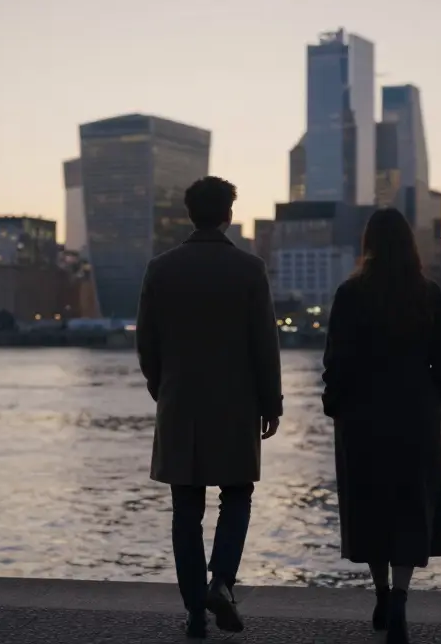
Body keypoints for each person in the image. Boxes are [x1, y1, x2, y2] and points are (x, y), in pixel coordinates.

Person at [136, 176, 283, 639]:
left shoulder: (161, 269)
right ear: (228, 215)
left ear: (190, 214)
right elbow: (264, 343)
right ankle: (221, 581)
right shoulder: (249, 269)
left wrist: (163, 387)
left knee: (186, 509)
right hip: (237, 403)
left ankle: (195, 613)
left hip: (180, 402)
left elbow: (146, 342)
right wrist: (271, 402)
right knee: (237, 494)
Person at [321, 207, 441, 644]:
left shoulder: (350, 294)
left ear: (369, 245)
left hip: (363, 414)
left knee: (371, 505)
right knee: (411, 507)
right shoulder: (427, 293)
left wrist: (334, 404)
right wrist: (437, 403)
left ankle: (380, 592)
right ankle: (398, 598)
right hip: (416, 413)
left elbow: (336, 359)